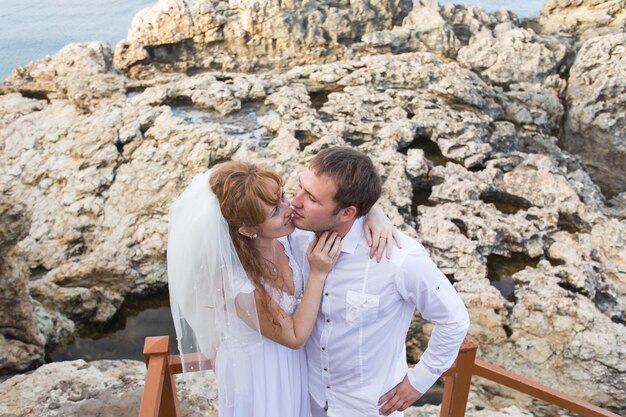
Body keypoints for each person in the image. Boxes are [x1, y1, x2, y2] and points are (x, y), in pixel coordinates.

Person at [166, 160, 396, 417]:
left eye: (283, 197)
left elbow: (334, 203)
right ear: (248, 229)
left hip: (294, 365)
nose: (290, 208)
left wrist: (373, 212)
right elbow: (294, 337)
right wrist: (318, 273)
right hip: (261, 374)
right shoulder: (232, 281)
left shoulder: (285, 236)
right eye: (275, 211)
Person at [287, 147, 470, 417]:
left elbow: (454, 319)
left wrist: (418, 382)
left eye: (311, 198)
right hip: (307, 396)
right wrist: (374, 210)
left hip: (367, 408)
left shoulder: (400, 259)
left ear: (348, 213)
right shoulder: (295, 233)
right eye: (299, 187)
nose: (295, 201)